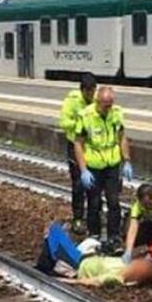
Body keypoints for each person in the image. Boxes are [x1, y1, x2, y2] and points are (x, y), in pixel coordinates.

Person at [74, 86, 133, 253]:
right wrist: (83, 169)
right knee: (94, 202)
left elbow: (122, 138)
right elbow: (78, 144)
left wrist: (126, 160)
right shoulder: (86, 116)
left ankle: (114, 236)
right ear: (97, 102)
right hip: (93, 166)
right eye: (106, 105)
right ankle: (95, 235)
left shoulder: (116, 114)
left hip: (112, 165)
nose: (109, 108)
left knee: (114, 201)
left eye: (110, 104)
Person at [35, 222, 152, 286]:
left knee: (54, 231)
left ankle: (45, 265)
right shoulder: (126, 263)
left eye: (141, 266)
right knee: (56, 231)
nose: (139, 262)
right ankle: (49, 257)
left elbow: (94, 281)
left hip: (77, 264)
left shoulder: (118, 276)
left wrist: (65, 281)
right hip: (85, 256)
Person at [57, 74, 97, 233]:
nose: (91, 95)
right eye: (89, 92)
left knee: (94, 184)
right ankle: (78, 217)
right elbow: (64, 122)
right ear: (83, 90)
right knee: (78, 185)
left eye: (93, 92)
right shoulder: (72, 102)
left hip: (91, 147)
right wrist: (80, 124)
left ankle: (93, 216)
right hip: (75, 146)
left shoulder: (95, 102)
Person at [122, 183, 152, 263]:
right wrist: (128, 251)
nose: (147, 207)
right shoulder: (137, 206)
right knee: (129, 225)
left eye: (150, 204)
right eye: (144, 205)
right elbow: (133, 228)